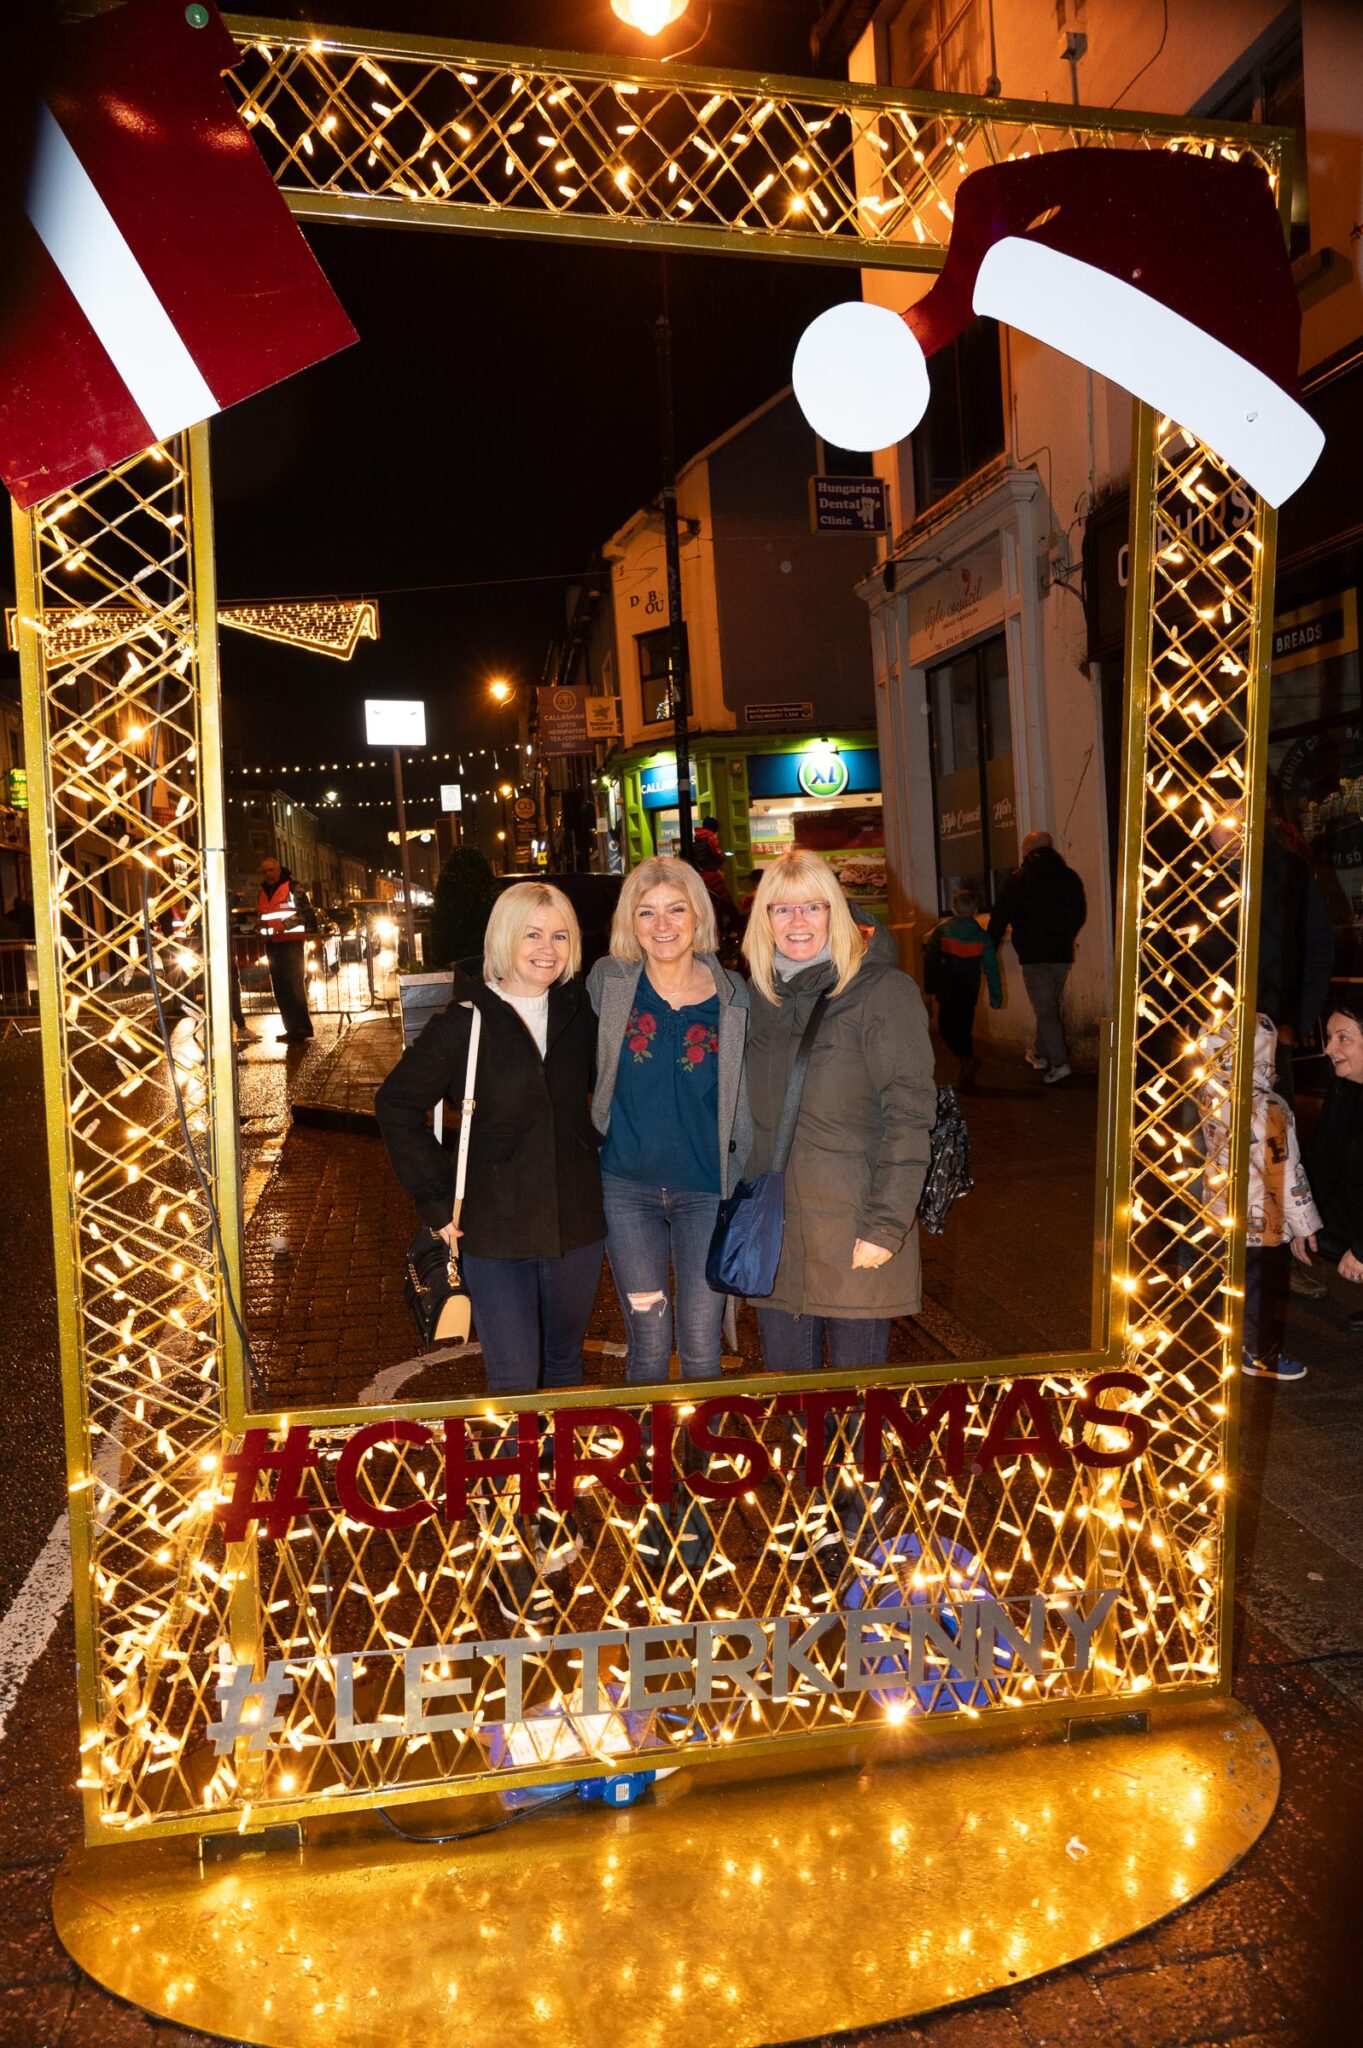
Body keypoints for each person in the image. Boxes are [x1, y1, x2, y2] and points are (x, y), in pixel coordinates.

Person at [375, 882, 605, 1398]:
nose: (548, 948)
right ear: (504, 938)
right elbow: (396, 1103)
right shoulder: (464, 1023)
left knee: (565, 1366)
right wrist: (435, 1201)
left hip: (577, 1226)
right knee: (515, 1377)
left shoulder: (579, 1013)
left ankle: (559, 1478)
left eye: (560, 936)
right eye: (533, 934)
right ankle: (516, 1478)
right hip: (495, 1229)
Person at [744, 848, 937, 1374]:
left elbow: (910, 1115)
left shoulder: (882, 993)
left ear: (837, 911)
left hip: (856, 1232)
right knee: (793, 1410)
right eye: (781, 909)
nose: (798, 921)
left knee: (857, 1417)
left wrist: (884, 1226)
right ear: (764, 920)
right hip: (776, 1242)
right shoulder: (756, 1000)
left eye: (813, 906)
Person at [587, 855, 750, 1386]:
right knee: (649, 1343)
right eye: (647, 912)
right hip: (626, 1189)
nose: (662, 925)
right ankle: (650, 1468)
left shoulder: (733, 998)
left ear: (698, 916)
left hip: (706, 1190)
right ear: (629, 923)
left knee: (702, 1345)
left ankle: (701, 1466)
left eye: (676, 909)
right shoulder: (609, 984)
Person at [1197, 1014, 1320, 1381]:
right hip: (1260, 1215)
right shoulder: (1266, 1108)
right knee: (1258, 1288)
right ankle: (1258, 1353)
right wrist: (1304, 1226)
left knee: (1231, 1279)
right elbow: (1286, 1171)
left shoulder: (1211, 1091)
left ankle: (1228, 1343)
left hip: (1221, 1209)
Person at [987, 829, 1087, 1083]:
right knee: (1048, 1005)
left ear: (1028, 851)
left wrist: (989, 946)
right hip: (1062, 953)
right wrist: (1066, 934)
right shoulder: (1069, 876)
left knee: (1045, 1008)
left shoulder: (1018, 879)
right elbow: (1079, 912)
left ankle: (1060, 1063)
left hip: (1034, 954)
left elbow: (1001, 915)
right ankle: (1040, 1054)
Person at [1301, 1003, 1363, 1335]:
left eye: (1343, 1039)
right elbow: (1320, 1158)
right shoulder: (1344, 1090)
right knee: (1315, 1231)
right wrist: (1302, 1219)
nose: (1328, 1049)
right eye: (1329, 1038)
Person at [923, 886, 1003, 1089]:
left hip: (947, 989)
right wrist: (996, 995)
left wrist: (929, 985)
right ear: (975, 910)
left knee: (945, 1027)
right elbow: (991, 968)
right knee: (964, 1028)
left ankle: (966, 1061)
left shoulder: (942, 931)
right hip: (969, 990)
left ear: (953, 908)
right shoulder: (982, 937)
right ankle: (966, 1066)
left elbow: (930, 959)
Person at [257, 855, 315, 1043]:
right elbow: (263, 916)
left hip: (290, 942)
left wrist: (285, 925)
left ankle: (302, 1028)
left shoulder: (292, 887)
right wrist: (259, 928)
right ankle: (291, 1029)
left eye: (271, 870)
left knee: (293, 985)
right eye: (265, 871)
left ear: (279, 870)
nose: (268, 874)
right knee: (280, 988)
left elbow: (306, 911)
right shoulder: (263, 891)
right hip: (273, 943)